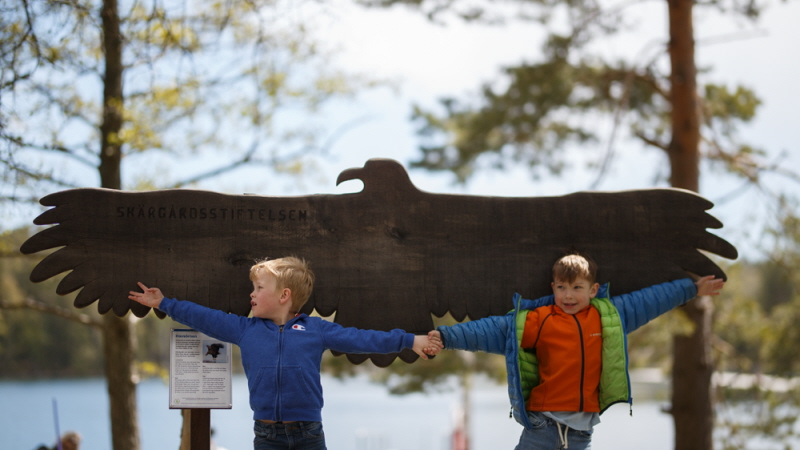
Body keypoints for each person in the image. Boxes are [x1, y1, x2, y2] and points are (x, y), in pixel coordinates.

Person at [129, 256, 441, 450]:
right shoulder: (244, 329)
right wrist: (164, 303)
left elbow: (363, 339)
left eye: (259, 288)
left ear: (284, 295)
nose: (252, 294)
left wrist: (410, 341)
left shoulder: (316, 330)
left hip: (308, 435)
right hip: (267, 436)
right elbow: (205, 317)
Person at [426, 252, 725, 450]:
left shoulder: (608, 317)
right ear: (553, 287)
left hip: (582, 434)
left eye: (577, 288)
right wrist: (445, 336)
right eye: (561, 288)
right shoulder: (539, 320)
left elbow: (649, 300)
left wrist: (692, 289)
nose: (568, 295)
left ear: (593, 290)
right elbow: (492, 330)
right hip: (543, 429)